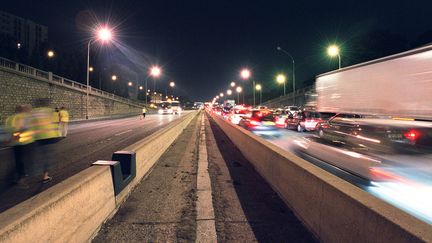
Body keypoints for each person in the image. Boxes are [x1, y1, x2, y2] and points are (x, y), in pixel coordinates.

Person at [5, 105, 35, 188]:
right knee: (25, 161)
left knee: (18, 160)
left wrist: (10, 139)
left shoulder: (10, 118)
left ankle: (17, 176)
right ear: (22, 110)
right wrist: (17, 135)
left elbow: (8, 130)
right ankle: (22, 179)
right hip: (25, 142)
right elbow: (24, 128)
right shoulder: (23, 117)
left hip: (15, 143)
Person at [32, 98, 61, 184]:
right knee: (47, 156)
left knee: (37, 155)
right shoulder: (50, 111)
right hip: (48, 136)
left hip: (37, 136)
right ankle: (45, 176)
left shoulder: (33, 112)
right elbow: (57, 122)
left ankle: (33, 172)